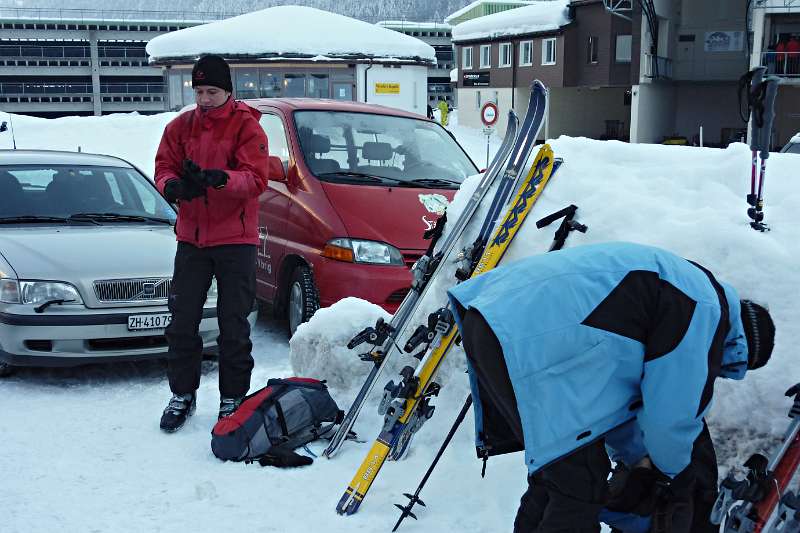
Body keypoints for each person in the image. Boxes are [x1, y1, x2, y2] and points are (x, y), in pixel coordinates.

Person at [447, 242, 776, 533]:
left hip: (496, 318)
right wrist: (674, 475)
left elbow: (621, 406)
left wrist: (639, 461)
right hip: (527, 335)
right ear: (740, 348)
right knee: (579, 486)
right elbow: (669, 417)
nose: (716, 372)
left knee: (559, 478)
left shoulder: (685, 285)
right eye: (727, 368)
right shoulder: (704, 309)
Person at [154, 54, 270, 433]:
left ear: (228, 90)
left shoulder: (247, 128)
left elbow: (255, 180)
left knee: (233, 325)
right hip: (192, 239)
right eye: (199, 90)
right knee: (182, 322)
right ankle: (182, 393)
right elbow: (163, 166)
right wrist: (172, 186)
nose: (204, 98)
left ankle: (232, 397)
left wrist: (220, 178)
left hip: (235, 241)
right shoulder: (180, 126)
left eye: (212, 91)